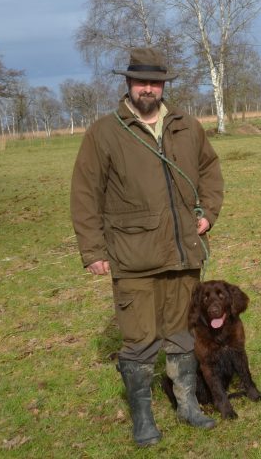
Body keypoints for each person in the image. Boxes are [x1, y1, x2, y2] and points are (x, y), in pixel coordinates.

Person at [71, 47, 223, 447]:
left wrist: (208, 212)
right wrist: (93, 250)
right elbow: (85, 193)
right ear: (128, 83)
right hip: (133, 257)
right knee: (139, 340)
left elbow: (209, 169)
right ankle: (142, 419)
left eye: (155, 82)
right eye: (141, 82)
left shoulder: (186, 126)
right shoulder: (105, 133)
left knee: (183, 333)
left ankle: (188, 405)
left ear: (163, 85)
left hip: (184, 254)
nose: (148, 89)